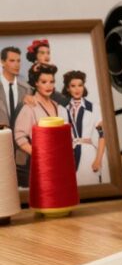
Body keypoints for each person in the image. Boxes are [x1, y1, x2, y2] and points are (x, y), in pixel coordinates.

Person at [14, 64, 68, 178]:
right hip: (41, 165)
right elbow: (19, 136)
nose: (49, 86)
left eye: (51, 82)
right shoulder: (30, 107)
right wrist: (40, 155)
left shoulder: (58, 107)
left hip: (60, 162)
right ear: (36, 83)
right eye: (44, 82)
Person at [61, 71, 106, 186]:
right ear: (67, 88)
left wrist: (98, 160)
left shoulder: (94, 108)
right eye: (73, 86)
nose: (77, 89)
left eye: (80, 85)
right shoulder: (62, 108)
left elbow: (103, 135)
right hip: (68, 154)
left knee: (90, 186)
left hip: (88, 154)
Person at [0, 48, 31, 187]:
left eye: (18, 60)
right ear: (2, 62)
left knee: (22, 185)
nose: (17, 64)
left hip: (20, 149)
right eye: (12, 60)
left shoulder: (26, 89)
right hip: (1, 144)